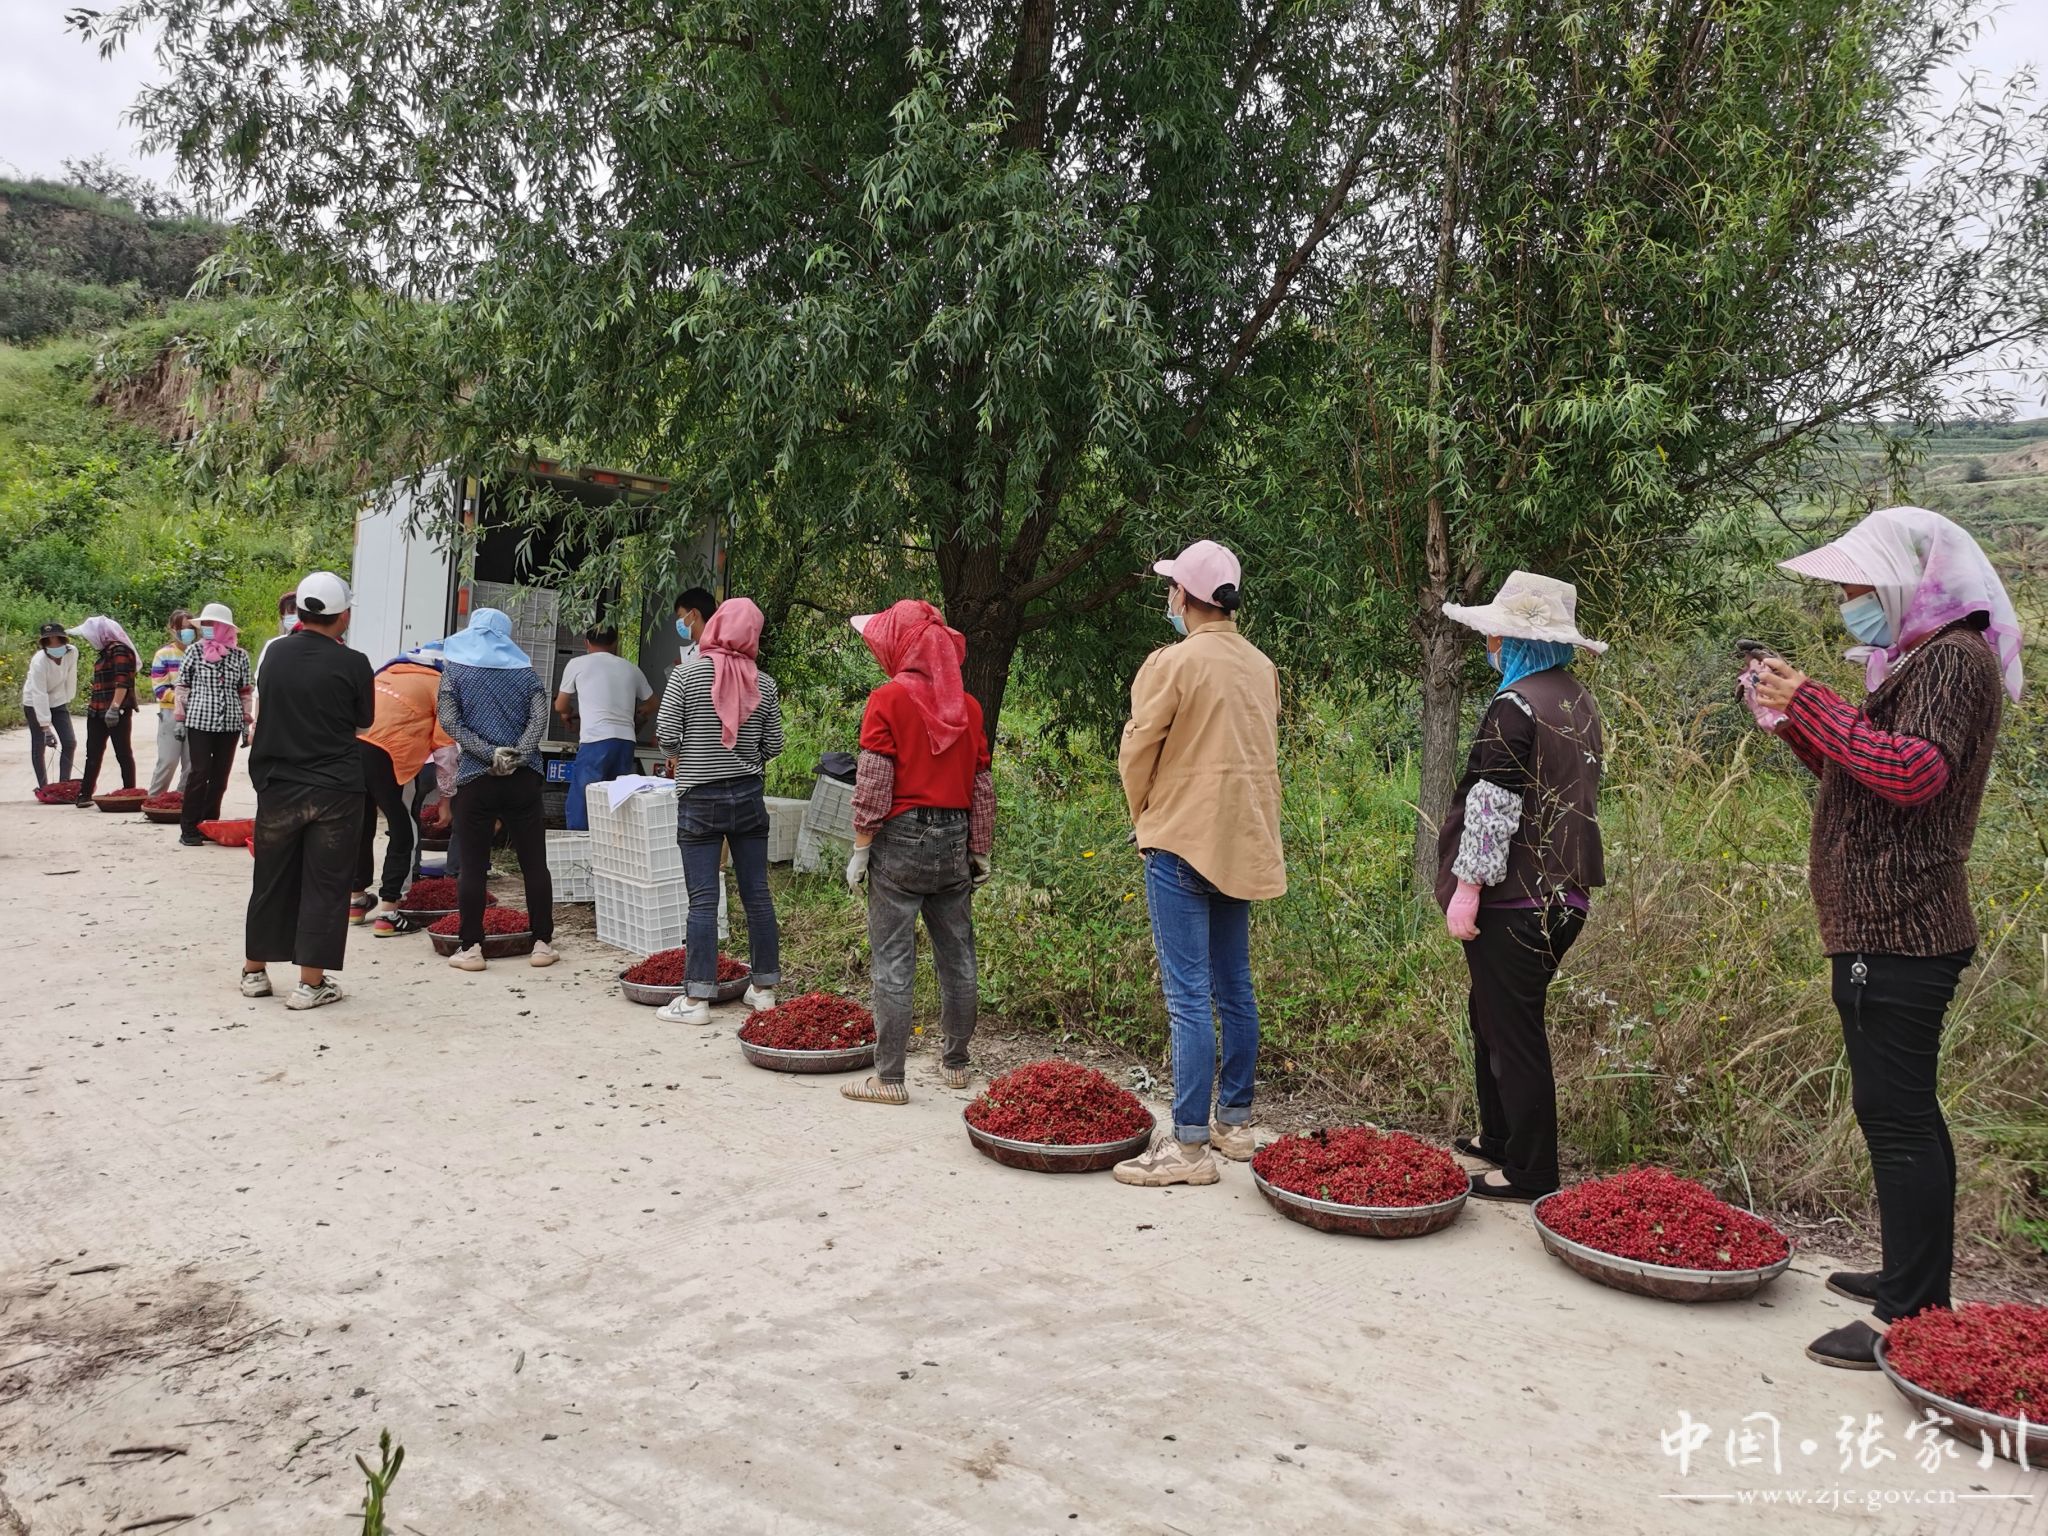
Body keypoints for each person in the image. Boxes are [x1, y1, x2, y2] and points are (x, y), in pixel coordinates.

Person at [1746, 506, 2017, 1371]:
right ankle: (1913, 1276)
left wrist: (1813, 700)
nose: (1847, 601)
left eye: (1857, 587)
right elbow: (1857, 773)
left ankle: (1911, 1312)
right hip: (1881, 923)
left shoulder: (1952, 661)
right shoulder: (1917, 661)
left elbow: (1910, 774)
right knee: (1898, 1112)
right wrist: (1794, 722)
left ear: (1908, 580)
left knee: (1896, 1118)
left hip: (1903, 926)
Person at [1112, 541, 1284, 1186]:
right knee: (1233, 985)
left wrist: (1146, 815)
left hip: (1182, 838)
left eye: (1170, 589)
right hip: (1241, 838)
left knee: (1187, 997)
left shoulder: (1173, 663)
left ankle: (1185, 1150)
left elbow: (1138, 747)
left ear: (1184, 596)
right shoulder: (1261, 665)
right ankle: (1232, 1123)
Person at [1434, 571, 1607, 1204]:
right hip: (1567, 892)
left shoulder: (1516, 704)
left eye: (1497, 637)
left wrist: (1467, 888)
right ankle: (1499, 1137)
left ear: (1511, 639)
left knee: (1514, 1026)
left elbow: (1493, 802)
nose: (1493, 647)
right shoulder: (1576, 701)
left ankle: (1530, 1170)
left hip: (1516, 896)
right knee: (1492, 1013)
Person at [838, 599, 992, 1105]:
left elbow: (875, 782)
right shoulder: (968, 708)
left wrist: (862, 846)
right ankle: (955, 1064)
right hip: (954, 843)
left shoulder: (887, 699)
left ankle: (889, 1079)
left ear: (902, 646)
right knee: (958, 956)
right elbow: (981, 786)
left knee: (893, 960)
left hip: (900, 842)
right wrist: (980, 848)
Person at [242, 572, 375, 1009]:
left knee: (271, 877)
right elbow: (365, 721)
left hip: (280, 785)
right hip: (336, 790)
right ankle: (310, 984)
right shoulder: (354, 663)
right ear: (345, 616)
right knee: (326, 882)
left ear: (298, 612)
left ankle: (255, 973)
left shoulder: (274, 655)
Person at [650, 597, 782, 1024]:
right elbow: (774, 747)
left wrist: (689, 754)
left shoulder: (685, 676)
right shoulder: (765, 684)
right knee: (757, 894)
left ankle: (697, 1000)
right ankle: (763, 991)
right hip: (747, 798)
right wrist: (745, 760)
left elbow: (667, 737)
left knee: (704, 899)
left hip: (699, 800)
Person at [437, 608, 559, 971]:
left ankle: (471, 948)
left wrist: (488, 753)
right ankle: (541, 944)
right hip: (523, 779)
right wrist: (517, 754)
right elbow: (540, 717)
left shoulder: (455, 670)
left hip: (476, 778)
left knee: (472, 866)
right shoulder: (525, 672)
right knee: (534, 863)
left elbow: (449, 721)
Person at [353, 642, 457, 934]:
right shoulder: (441, 684)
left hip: (351, 749)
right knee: (404, 831)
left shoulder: (387, 672)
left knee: (360, 825)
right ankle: (389, 912)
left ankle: (355, 900)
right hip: (392, 756)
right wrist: (446, 799)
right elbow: (446, 749)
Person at [555, 625, 655, 830]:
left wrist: (567, 713)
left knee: (583, 797)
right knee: (615, 797)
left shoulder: (577, 664)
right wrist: (638, 715)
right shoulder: (630, 668)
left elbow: (560, 705)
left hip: (596, 741)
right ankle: (609, 846)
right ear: (615, 643)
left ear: (586, 643)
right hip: (625, 742)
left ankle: (579, 845)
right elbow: (653, 703)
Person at [174, 603, 254, 846]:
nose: (207, 628)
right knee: (199, 773)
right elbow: (183, 685)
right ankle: (188, 827)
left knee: (220, 776)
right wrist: (179, 717)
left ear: (223, 628)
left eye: (211, 624)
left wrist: (245, 722)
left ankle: (209, 824)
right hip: (199, 720)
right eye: (204, 625)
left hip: (228, 723)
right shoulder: (195, 652)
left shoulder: (240, 656)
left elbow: (245, 691)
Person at [69, 616, 140, 806]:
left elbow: (122, 680)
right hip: (97, 710)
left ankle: (130, 793)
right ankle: (85, 794)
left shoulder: (119, 650)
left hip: (115, 710)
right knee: (93, 753)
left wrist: (114, 708)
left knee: (122, 752)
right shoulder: (104, 652)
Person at [22, 622, 78, 791]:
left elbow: (71, 675)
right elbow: (39, 693)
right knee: (39, 744)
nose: (55, 645)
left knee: (69, 742)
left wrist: (68, 698)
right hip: (34, 701)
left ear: (63, 640)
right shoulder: (39, 661)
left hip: (58, 700)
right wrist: (45, 727)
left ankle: (63, 784)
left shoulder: (72, 652)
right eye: (49, 642)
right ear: (45, 644)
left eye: (58, 640)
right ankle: (44, 787)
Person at [148, 609, 197, 799]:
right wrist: (183, 698)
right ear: (172, 629)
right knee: (168, 760)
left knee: (192, 763)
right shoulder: (164, 654)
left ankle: (182, 800)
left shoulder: (201, 651)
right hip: (170, 714)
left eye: (190, 628)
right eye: (183, 628)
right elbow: (160, 689)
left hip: (196, 715)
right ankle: (154, 800)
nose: (187, 632)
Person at [674, 587, 717, 667]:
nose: (678, 622)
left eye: (680, 616)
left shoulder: (714, 653)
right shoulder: (689, 652)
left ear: (693, 614)